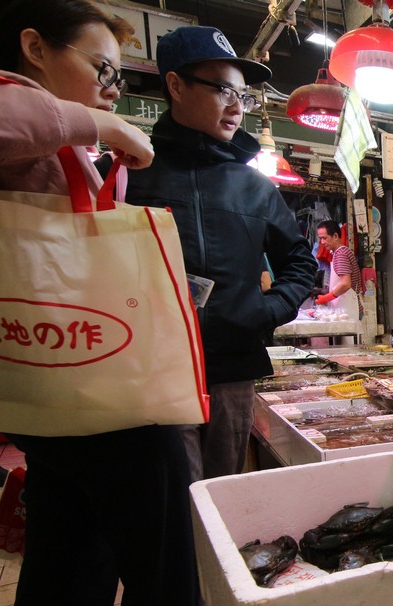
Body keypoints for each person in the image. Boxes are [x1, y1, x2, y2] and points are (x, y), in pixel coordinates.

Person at [0, 1, 224, 606]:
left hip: (56, 398)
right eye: (101, 68)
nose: (112, 90)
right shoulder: (14, 107)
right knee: (161, 578)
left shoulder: (51, 142)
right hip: (114, 400)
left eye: (119, 77)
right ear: (32, 49)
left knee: (64, 571)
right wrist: (102, 129)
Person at [125, 25, 317, 483]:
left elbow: (300, 261)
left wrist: (263, 310)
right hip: (152, 372)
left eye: (243, 96)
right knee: (173, 499)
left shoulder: (253, 186)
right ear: (175, 85)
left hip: (232, 367)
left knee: (225, 494)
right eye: (223, 90)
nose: (236, 106)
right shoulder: (128, 172)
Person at [315, 219, 363, 319]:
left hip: (348, 308)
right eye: (320, 239)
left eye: (324, 238)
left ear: (335, 236)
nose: (322, 242)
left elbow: (345, 283)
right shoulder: (339, 252)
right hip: (345, 307)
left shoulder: (341, 254)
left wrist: (327, 298)